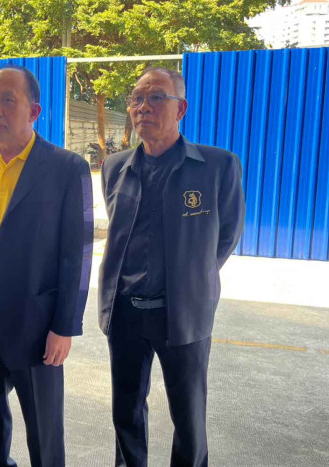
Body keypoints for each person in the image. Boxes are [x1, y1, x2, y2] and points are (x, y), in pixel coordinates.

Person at [0, 66, 93, 467]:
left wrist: (65, 326)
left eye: (7, 99)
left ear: (34, 111)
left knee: (44, 429)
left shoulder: (65, 168)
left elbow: (76, 254)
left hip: (36, 319)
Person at [99, 67, 245, 467]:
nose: (143, 107)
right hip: (126, 310)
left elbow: (227, 235)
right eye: (136, 99)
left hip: (182, 312)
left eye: (156, 98)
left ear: (180, 109)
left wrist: (191, 277)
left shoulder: (216, 166)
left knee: (188, 414)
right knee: (126, 411)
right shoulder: (115, 166)